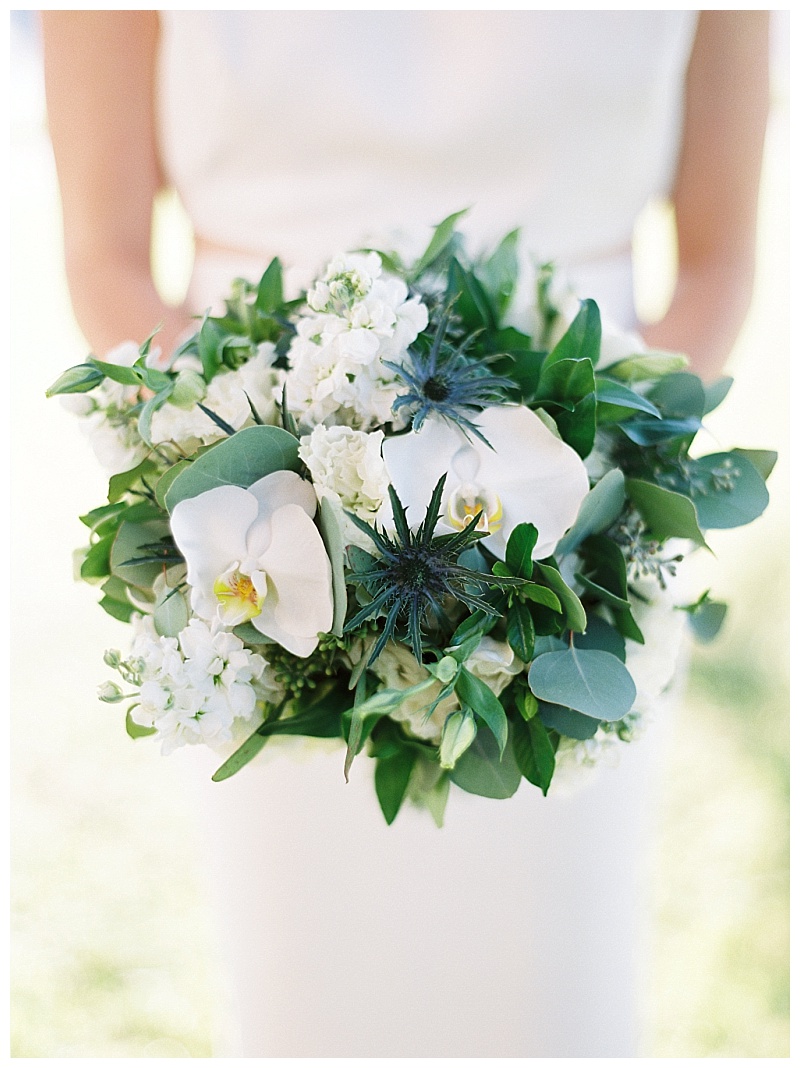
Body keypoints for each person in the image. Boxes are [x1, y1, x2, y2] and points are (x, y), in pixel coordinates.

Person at [41, 10, 770, 1057]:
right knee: (316, 990)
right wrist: (273, 470)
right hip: (273, 547)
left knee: (553, 982)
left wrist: (591, 487)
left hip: (573, 558)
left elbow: (714, 265)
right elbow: (105, 254)